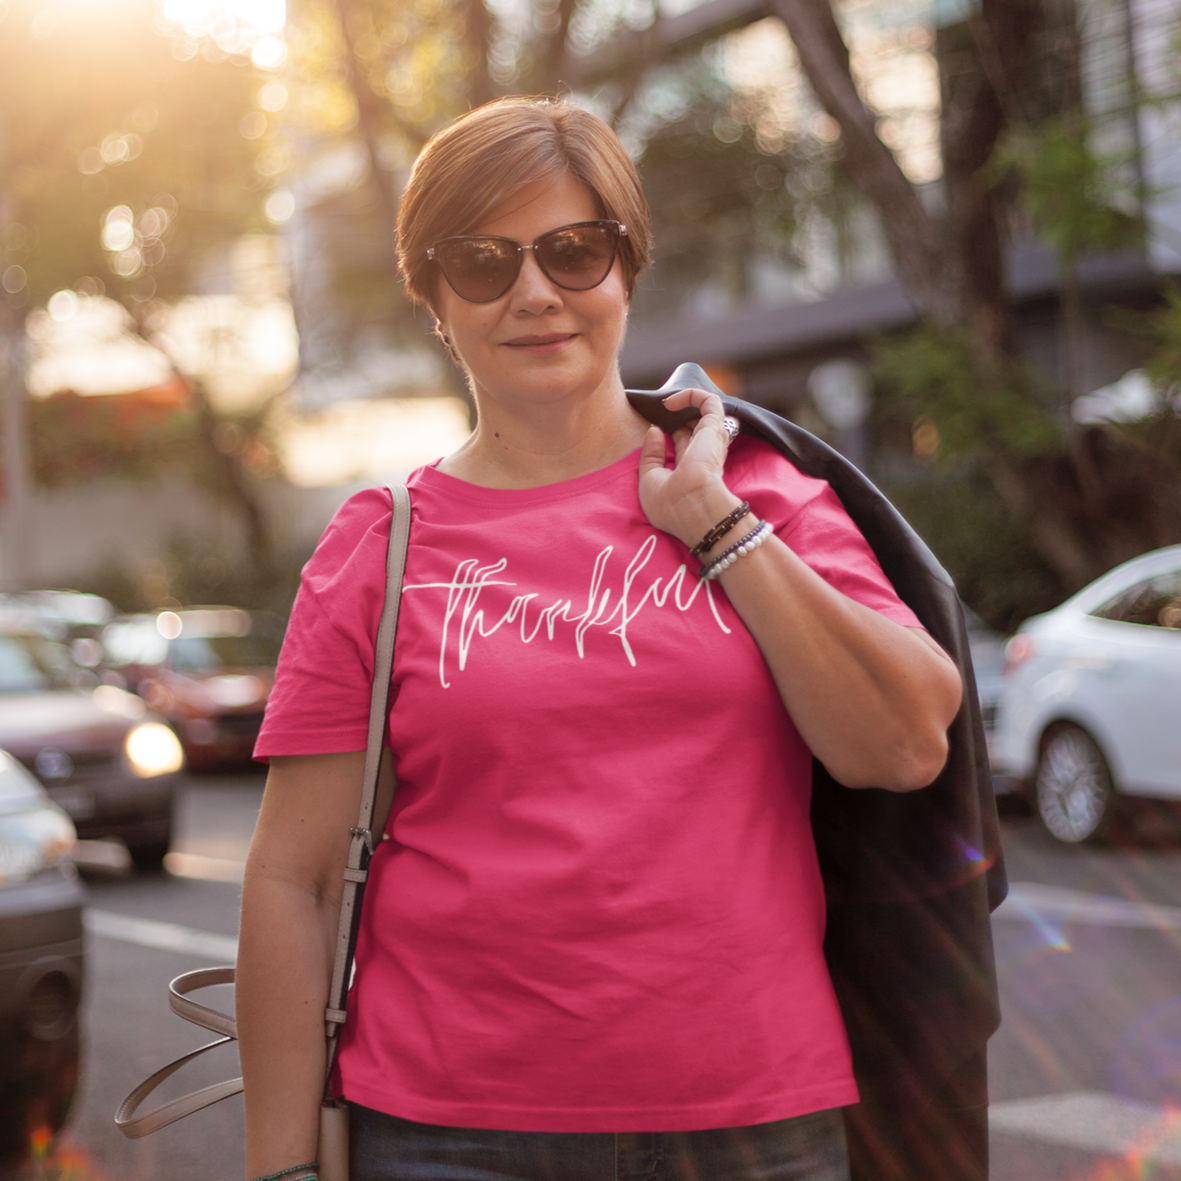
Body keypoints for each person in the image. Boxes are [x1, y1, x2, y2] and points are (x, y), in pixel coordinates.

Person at [236, 95, 964, 1181]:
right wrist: (282, 1164)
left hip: (750, 1121)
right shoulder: (379, 545)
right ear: (433, 299)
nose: (534, 291)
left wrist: (712, 525)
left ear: (626, 267)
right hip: (448, 1130)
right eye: (480, 261)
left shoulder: (761, 493)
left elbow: (901, 743)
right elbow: (288, 880)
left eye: (574, 251)